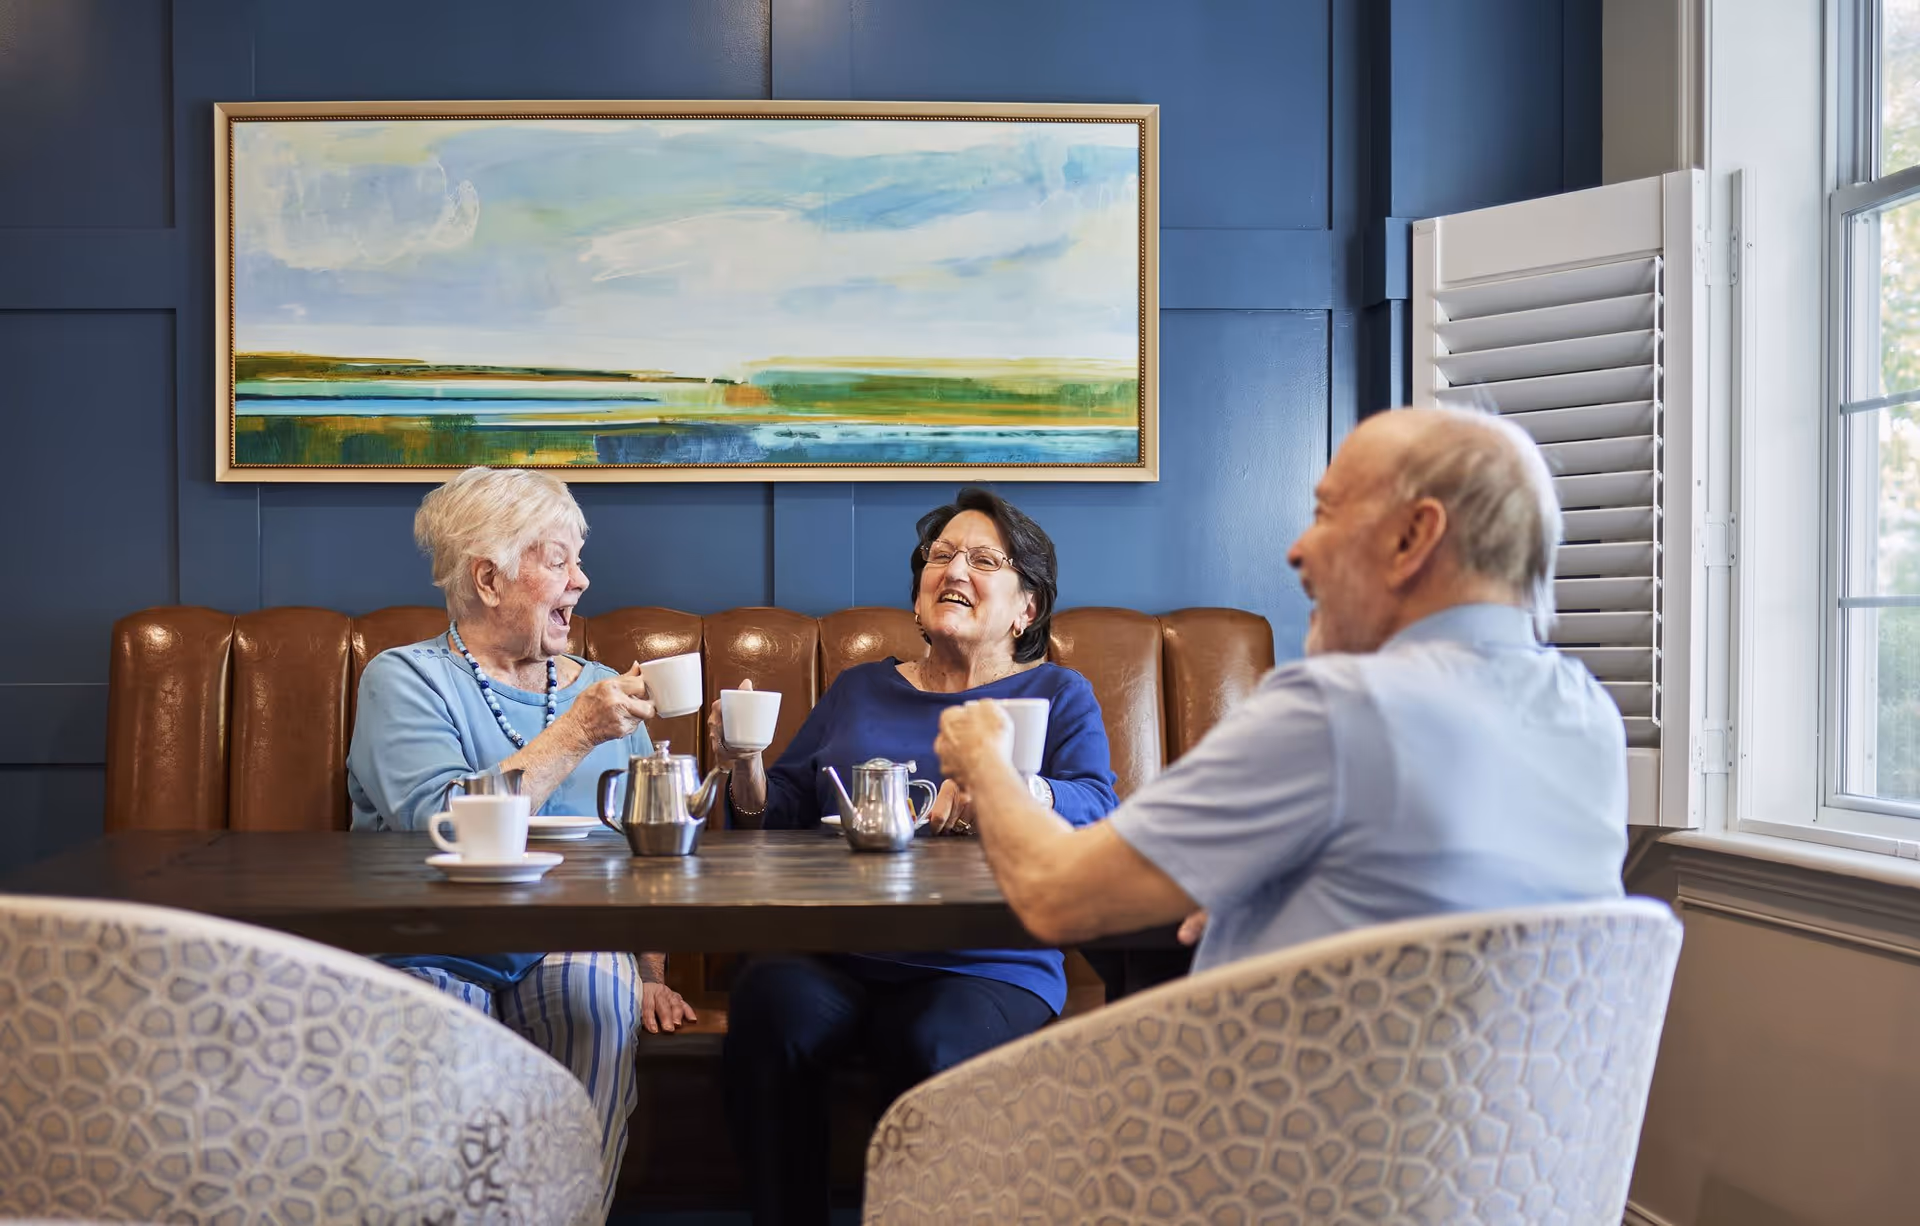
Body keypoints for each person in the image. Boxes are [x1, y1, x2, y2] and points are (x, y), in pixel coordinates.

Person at [935, 406, 1628, 974]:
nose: (1299, 549)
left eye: (1327, 513)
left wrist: (985, 763)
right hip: (1501, 1139)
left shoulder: (1339, 707)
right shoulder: (1588, 716)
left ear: (1413, 537)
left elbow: (1056, 898)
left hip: (1268, 1137)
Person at [714, 487, 1119, 1226]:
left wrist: (1007, 786)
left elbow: (1099, 806)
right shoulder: (860, 690)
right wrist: (743, 763)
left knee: (933, 1045)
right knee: (768, 1007)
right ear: (919, 592)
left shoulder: (1057, 694)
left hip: (989, 963)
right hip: (834, 953)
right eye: (940, 556)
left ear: (1027, 608)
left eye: (984, 560)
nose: (953, 569)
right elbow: (778, 815)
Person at [346, 466, 696, 1218]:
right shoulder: (404, 680)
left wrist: (651, 968)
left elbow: (647, 842)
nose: (582, 578)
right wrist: (576, 732)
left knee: (601, 999)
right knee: (430, 1036)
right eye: (560, 559)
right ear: (490, 578)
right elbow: (442, 820)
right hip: (428, 938)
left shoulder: (604, 688)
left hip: (570, 938)